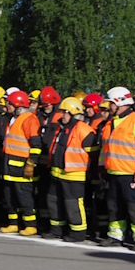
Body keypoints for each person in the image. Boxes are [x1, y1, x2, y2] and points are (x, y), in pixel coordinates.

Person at [100, 86, 135, 251]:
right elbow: (106, 148)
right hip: (113, 172)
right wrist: (102, 168)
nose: (109, 107)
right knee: (114, 206)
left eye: (111, 103)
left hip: (131, 174)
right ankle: (115, 236)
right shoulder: (110, 123)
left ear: (119, 102)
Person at [46, 98, 99, 242]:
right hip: (57, 172)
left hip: (74, 174)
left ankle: (78, 233)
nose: (62, 115)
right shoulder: (61, 127)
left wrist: (93, 173)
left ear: (74, 113)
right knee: (53, 201)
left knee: (73, 204)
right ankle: (56, 230)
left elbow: (94, 154)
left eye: (65, 113)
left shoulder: (84, 130)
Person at [0, 90, 43, 236]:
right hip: (9, 165)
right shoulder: (14, 118)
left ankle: (30, 225)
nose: (7, 106)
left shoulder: (30, 119)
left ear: (18, 105)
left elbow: (36, 145)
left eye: (10, 103)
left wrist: (31, 163)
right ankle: (13, 223)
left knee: (24, 197)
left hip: (21, 166)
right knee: (9, 197)